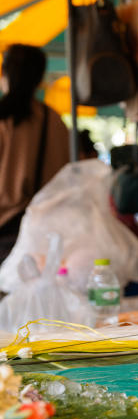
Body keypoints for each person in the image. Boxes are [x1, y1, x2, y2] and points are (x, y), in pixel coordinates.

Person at [0, 44, 69, 264]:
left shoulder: (3, 120)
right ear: (40, 79)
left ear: (6, 74)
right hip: (44, 234)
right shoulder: (55, 121)